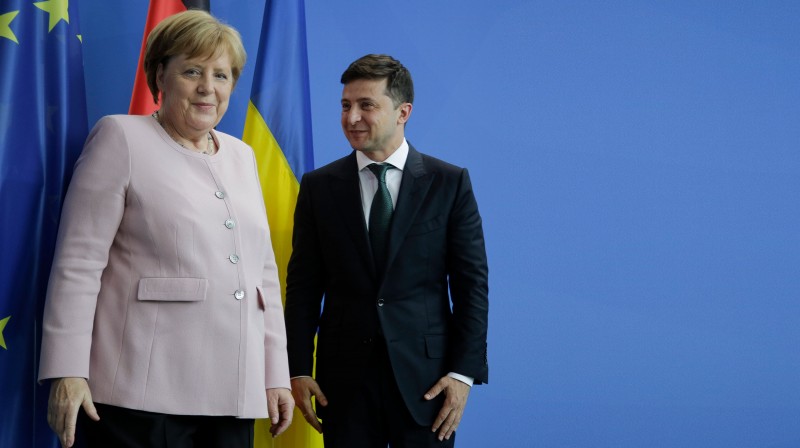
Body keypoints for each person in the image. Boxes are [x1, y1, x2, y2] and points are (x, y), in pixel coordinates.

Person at [38, 11, 293, 448]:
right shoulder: (120, 137)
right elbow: (78, 264)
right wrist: (67, 370)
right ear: (160, 74)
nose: (207, 88)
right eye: (192, 71)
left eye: (221, 74)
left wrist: (274, 375)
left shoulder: (242, 155)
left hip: (234, 393)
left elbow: (262, 277)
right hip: (140, 394)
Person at [285, 54, 489, 447]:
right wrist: (296, 367)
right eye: (346, 105)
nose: (351, 117)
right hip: (342, 386)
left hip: (427, 387)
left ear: (403, 112)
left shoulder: (449, 183)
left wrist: (463, 374)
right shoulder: (319, 187)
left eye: (366, 105)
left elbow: (471, 286)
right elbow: (303, 288)